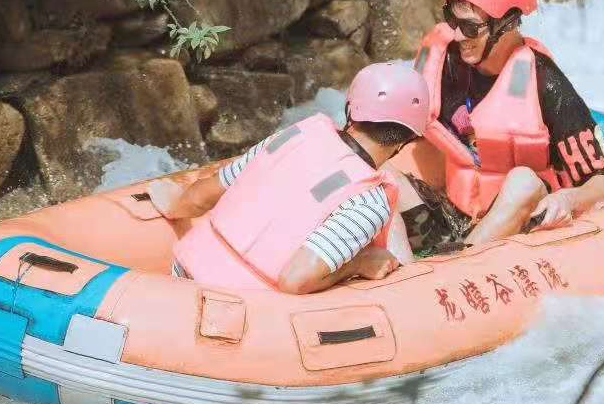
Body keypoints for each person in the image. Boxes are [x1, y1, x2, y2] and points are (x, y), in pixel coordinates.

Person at [150, 62, 430, 294]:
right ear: (404, 142)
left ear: (351, 110)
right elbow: (295, 280)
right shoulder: (370, 201)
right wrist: (359, 263)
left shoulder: (294, 135)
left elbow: (198, 199)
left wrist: (173, 201)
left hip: (182, 275)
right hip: (233, 310)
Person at [407, 0, 604, 247]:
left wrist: (570, 198)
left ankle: (460, 261)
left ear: (506, 25)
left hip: (517, 211)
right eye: (451, 20)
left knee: (523, 180)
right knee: (395, 169)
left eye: (470, 28)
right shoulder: (447, 61)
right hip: (457, 203)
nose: (458, 35)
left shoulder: (547, 83)